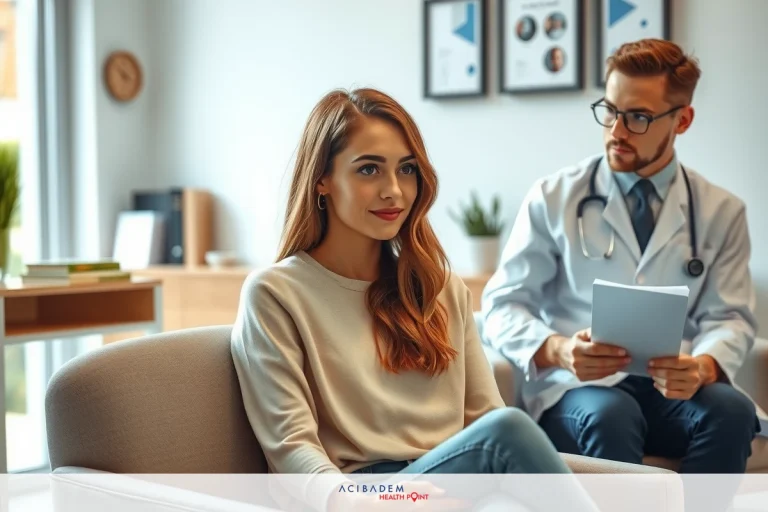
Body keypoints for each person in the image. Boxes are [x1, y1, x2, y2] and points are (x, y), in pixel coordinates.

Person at [230, 88, 586, 512]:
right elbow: (291, 449)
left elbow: (482, 419)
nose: (394, 191)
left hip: (453, 483)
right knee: (510, 428)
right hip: (366, 494)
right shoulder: (275, 294)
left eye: (407, 169)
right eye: (368, 170)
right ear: (322, 179)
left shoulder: (441, 289)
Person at [481, 37, 762, 476]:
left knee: (732, 411)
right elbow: (501, 305)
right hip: (579, 388)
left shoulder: (720, 211)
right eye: (610, 110)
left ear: (682, 120)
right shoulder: (554, 197)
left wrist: (704, 367)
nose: (616, 131)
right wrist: (557, 349)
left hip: (673, 392)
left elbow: (730, 317)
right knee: (611, 415)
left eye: (638, 117)